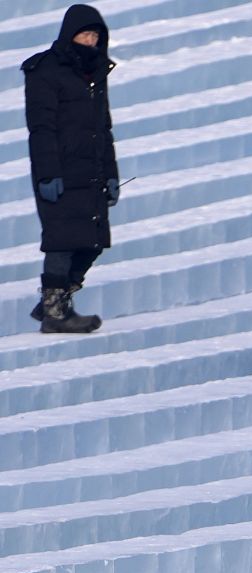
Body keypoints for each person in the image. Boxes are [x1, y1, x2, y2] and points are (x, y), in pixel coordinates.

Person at [23, 4, 119, 334]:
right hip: (60, 172)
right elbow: (41, 128)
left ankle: (54, 302)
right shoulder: (45, 71)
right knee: (62, 241)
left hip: (89, 171)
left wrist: (110, 174)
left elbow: (103, 129)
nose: (90, 41)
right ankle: (55, 314)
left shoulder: (95, 73)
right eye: (84, 34)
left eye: (95, 35)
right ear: (69, 34)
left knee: (92, 241)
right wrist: (48, 174)